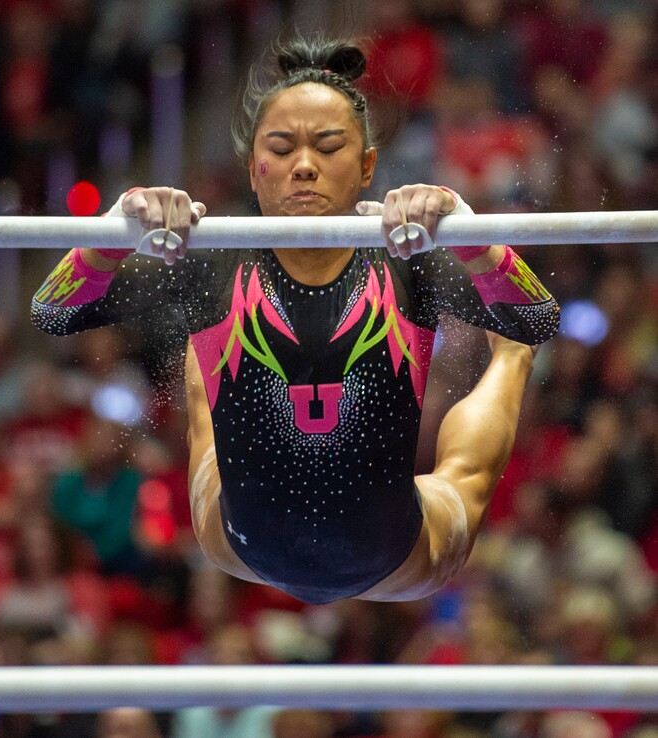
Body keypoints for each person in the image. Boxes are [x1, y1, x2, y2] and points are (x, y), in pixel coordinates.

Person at [32, 36, 559, 605]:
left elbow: (535, 318)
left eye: (328, 147)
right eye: (281, 149)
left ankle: (511, 366)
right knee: (213, 329)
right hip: (236, 541)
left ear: (366, 167)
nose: (304, 166)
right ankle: (212, 338)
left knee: (484, 423)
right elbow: (52, 311)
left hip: (396, 558)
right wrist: (116, 228)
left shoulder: (409, 253)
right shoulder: (210, 252)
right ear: (253, 170)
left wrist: (468, 230)